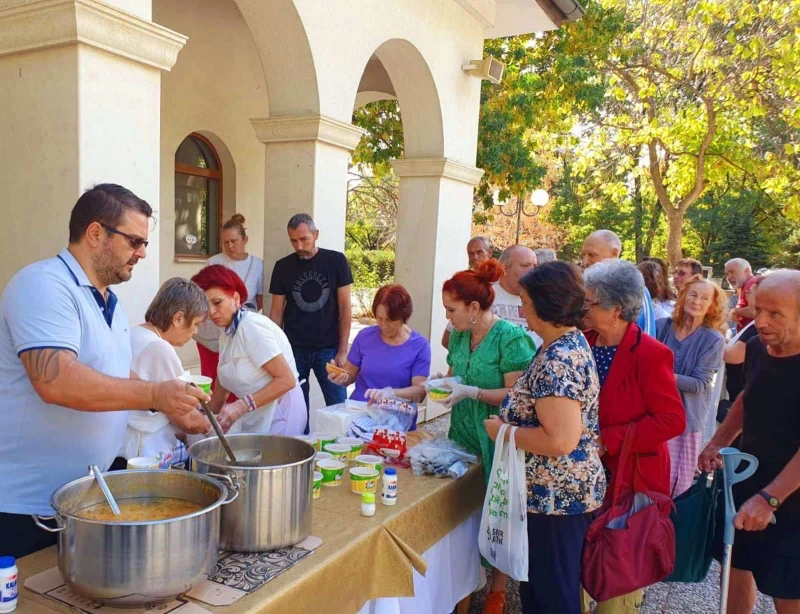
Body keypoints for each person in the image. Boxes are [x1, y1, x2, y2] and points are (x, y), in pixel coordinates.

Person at [0, 184, 210, 559]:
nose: (142, 253)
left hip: (82, 499)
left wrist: (166, 401)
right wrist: (152, 394)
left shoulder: (109, 301)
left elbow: (108, 374)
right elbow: (56, 380)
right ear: (95, 233)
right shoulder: (44, 285)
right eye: (134, 241)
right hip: (24, 508)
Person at [484, 261, 606, 614]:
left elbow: (560, 441)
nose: (520, 308)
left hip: (556, 499)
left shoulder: (558, 359)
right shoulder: (560, 344)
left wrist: (503, 432)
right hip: (550, 496)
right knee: (541, 590)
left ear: (545, 303)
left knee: (552, 596)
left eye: (524, 300)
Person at [582, 259, 686, 613]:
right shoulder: (582, 343)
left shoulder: (651, 354)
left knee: (618, 580)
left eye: (590, 301)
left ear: (614, 309)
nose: (584, 307)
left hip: (631, 481)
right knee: (580, 569)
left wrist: (608, 439)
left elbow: (672, 420)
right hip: (584, 477)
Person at [699, 270, 800, 614]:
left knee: (788, 592)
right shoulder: (759, 347)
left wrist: (769, 499)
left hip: (791, 499)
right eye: (758, 311)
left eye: (775, 314)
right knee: (736, 569)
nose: (760, 322)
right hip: (747, 481)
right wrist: (718, 441)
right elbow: (747, 396)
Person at [440, 259, 537, 614]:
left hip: (497, 435)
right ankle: (466, 579)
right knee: (466, 508)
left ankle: (497, 587)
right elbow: (453, 374)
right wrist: (441, 384)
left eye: (452, 310)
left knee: (497, 508)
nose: (448, 318)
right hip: (463, 432)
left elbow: (518, 395)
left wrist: (473, 392)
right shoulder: (462, 335)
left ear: (474, 308)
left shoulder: (510, 338)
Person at [193, 265, 306, 435]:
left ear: (236, 299)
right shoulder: (227, 332)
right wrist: (200, 416)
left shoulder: (252, 326)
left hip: (281, 413)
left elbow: (286, 380)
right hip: (259, 413)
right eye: (206, 305)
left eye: (217, 302)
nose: (211, 312)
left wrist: (241, 406)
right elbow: (221, 391)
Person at [268, 214, 353, 418]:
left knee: (339, 409)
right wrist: (274, 353)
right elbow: (276, 312)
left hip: (329, 349)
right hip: (293, 349)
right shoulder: (283, 266)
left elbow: (345, 307)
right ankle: (301, 449)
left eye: (304, 239)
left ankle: (343, 448)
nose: (299, 246)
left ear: (316, 235)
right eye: (293, 241)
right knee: (295, 413)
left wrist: (342, 351)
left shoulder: (336, 261)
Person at [120, 278, 210, 468]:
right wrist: (209, 426)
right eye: (195, 324)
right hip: (143, 453)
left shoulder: (135, 333)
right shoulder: (158, 348)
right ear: (178, 318)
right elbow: (183, 417)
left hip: (121, 446)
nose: (195, 332)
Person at [656, 276, 726, 496]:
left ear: (711, 306)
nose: (697, 301)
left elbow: (700, 383)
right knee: (649, 479)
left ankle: (670, 529)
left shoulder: (712, 339)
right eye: (693, 294)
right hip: (653, 415)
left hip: (685, 421)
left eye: (705, 298)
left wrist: (661, 375)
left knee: (675, 487)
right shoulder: (661, 327)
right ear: (683, 295)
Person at [326, 284, 430, 429]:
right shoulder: (365, 337)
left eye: (389, 320)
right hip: (360, 417)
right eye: (379, 318)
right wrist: (340, 377)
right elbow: (349, 375)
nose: (383, 325)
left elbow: (420, 391)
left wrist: (390, 393)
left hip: (397, 423)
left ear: (403, 317)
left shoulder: (419, 345)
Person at [195, 214, 265, 393]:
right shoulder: (214, 262)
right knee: (212, 377)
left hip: (242, 329)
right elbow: (203, 296)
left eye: (234, 241)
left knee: (239, 376)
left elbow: (259, 299)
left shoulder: (257, 265)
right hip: (214, 331)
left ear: (245, 239)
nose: (230, 246)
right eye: (225, 242)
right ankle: (211, 415)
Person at [441, 245, 540, 349]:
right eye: (526, 265)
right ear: (505, 268)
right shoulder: (484, 293)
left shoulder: (541, 299)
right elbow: (448, 340)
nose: (533, 270)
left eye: (535, 266)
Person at [580, 230, 656, 336]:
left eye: (591, 255)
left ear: (614, 253)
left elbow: (646, 335)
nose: (584, 262)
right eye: (583, 255)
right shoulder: (582, 286)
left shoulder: (633, 288)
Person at [725, 258, 758, 331]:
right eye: (727, 274)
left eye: (732, 272)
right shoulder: (749, 284)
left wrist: (736, 311)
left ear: (747, 271)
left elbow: (755, 311)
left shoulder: (751, 284)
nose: (729, 277)